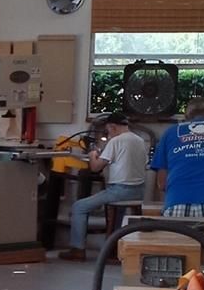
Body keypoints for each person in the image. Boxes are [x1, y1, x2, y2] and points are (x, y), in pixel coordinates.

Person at [59, 112, 146, 261]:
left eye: (108, 131)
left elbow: (95, 167)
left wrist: (93, 155)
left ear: (112, 127)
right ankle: (112, 248)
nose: (108, 134)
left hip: (119, 191)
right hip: (138, 190)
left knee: (79, 207)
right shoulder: (139, 140)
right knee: (117, 211)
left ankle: (77, 249)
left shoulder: (116, 141)